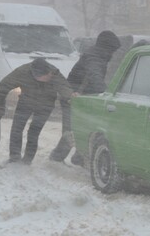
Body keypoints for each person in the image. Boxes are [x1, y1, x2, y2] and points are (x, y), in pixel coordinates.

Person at [50, 30, 122, 165]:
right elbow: (95, 77)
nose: (113, 54)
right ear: (106, 47)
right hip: (73, 96)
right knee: (71, 130)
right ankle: (56, 157)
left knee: (86, 127)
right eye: (112, 50)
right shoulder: (94, 57)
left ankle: (79, 157)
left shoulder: (99, 55)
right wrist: (104, 94)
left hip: (83, 97)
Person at [0, 58, 74, 165]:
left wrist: (71, 95)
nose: (47, 78)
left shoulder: (54, 73)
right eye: (43, 77)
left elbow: (64, 87)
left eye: (47, 76)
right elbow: (4, 85)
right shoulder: (22, 72)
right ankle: (14, 158)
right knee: (17, 129)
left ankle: (27, 160)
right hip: (25, 102)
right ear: (34, 74)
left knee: (33, 132)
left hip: (46, 105)